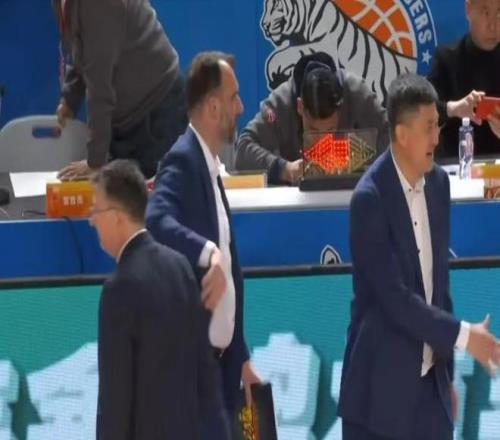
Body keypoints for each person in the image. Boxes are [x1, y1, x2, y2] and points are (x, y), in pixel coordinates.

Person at [337, 73, 500, 439]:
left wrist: (446, 379)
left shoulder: (439, 185)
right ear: (402, 134)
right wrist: (464, 336)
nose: (436, 138)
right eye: (428, 127)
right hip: (378, 397)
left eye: (437, 125)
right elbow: (393, 298)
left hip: (430, 393)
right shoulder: (369, 199)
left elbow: (438, 286)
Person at [146, 51, 260, 437]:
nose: (241, 107)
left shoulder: (208, 167)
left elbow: (231, 277)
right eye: (234, 98)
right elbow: (156, 220)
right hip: (192, 379)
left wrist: (240, 357)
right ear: (213, 107)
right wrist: (207, 253)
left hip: (223, 372)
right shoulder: (182, 160)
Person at [90, 160, 222, 439]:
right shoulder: (180, 266)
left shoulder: (118, 289)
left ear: (116, 217)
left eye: (95, 211)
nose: (92, 221)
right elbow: (204, 369)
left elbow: (115, 400)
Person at [52, 0, 187, 180]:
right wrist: (70, 98)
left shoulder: (99, 5)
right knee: (122, 191)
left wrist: (96, 162)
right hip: (133, 114)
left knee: (144, 194)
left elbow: (100, 88)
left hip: (157, 111)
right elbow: (85, 48)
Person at [235, 51, 389, 184]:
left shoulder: (358, 95)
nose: (321, 142)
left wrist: (356, 159)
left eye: (330, 130)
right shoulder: (277, 109)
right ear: (300, 107)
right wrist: (283, 169)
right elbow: (243, 148)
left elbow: (392, 137)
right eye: (313, 130)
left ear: (341, 109)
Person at [427, 0, 500, 158]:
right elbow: (423, 110)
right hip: (456, 164)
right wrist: (454, 109)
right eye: (486, 12)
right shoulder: (447, 58)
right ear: (468, 9)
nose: (493, 26)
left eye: (499, 13)